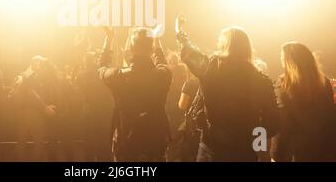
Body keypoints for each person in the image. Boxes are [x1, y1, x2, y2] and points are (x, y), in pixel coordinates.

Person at [175, 16, 279, 161]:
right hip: (244, 151)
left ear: (224, 46)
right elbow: (273, 123)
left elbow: (189, 54)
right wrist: (255, 136)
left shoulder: (211, 68)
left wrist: (180, 34)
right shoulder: (262, 80)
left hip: (211, 149)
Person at [99, 27, 172, 162]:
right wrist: (157, 42)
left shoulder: (118, 76)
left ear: (131, 49)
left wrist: (108, 40)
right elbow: (162, 62)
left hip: (126, 145)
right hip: (155, 145)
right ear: (151, 49)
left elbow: (102, 67)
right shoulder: (163, 75)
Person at [271, 42, 336, 162]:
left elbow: (283, 122)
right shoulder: (323, 82)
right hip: (323, 148)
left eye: (282, 57)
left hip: (296, 151)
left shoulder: (284, 84)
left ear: (288, 61)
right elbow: (331, 117)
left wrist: (276, 154)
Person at [76, 51, 113, 161]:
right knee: (104, 143)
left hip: (88, 112)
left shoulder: (80, 75)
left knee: (89, 143)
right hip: (102, 112)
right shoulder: (99, 74)